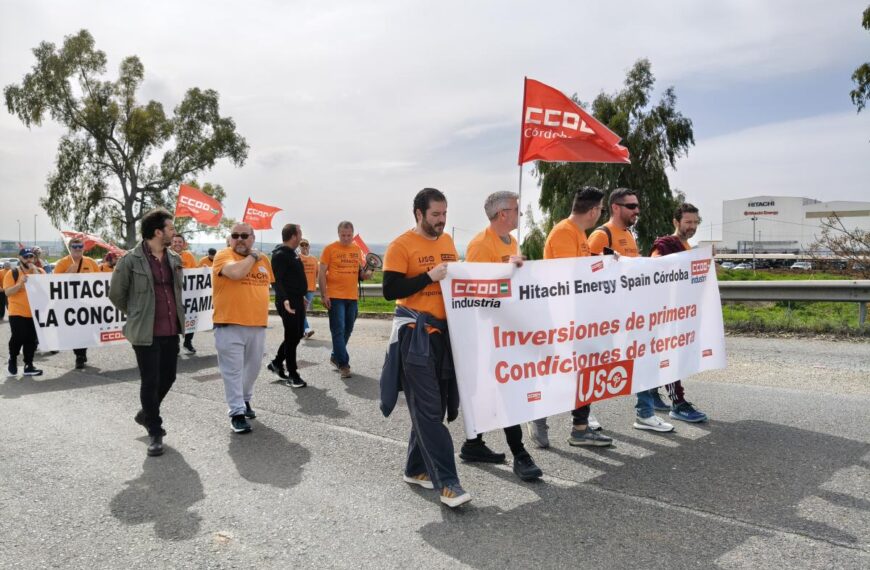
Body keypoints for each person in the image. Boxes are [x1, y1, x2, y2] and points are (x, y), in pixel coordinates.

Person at [380, 187, 470, 508]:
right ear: (419, 213)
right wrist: (427, 276)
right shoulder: (400, 246)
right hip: (414, 336)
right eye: (435, 215)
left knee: (437, 407)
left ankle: (415, 468)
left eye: (444, 214)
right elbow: (390, 290)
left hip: (443, 336)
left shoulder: (446, 242)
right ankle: (448, 482)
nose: (442, 221)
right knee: (429, 409)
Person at [459, 191, 543, 481]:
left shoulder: (511, 241)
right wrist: (507, 273)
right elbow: (476, 294)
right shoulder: (480, 246)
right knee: (509, 389)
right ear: (503, 214)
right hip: (490, 331)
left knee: (495, 388)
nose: (520, 213)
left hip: (509, 329)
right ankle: (520, 453)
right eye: (517, 209)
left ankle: (473, 443)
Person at [527, 187, 615, 448]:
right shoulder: (565, 232)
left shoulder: (578, 233)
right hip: (562, 318)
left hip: (578, 317)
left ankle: (580, 428)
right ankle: (537, 413)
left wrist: (605, 261)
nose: (601, 213)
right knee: (560, 372)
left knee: (583, 370)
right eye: (601, 209)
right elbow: (569, 277)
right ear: (594, 211)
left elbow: (583, 266)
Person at [588, 188, 674, 433]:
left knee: (645, 357)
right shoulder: (601, 236)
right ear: (616, 207)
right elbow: (588, 276)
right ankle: (583, 414)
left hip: (632, 314)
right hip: (607, 317)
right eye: (631, 206)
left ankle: (645, 414)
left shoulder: (628, 235)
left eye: (637, 206)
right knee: (597, 364)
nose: (637, 210)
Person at [109, 209, 185, 457]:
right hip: (145, 332)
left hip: (171, 329)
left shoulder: (174, 258)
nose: (174, 233)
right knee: (150, 381)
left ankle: (146, 413)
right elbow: (117, 295)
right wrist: (137, 314)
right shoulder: (130, 260)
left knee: (169, 377)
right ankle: (155, 429)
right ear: (158, 232)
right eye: (171, 229)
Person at [212, 222, 275, 434]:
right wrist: (252, 257)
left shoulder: (264, 260)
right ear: (230, 239)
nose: (239, 239)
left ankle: (245, 399)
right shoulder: (224, 255)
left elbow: (271, 286)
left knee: (253, 368)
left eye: (244, 235)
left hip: (257, 325)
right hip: (229, 324)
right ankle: (237, 413)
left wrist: (287, 301)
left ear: (253, 238)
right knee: (233, 371)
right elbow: (236, 274)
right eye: (235, 235)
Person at [649, 203, 709, 423]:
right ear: (676, 222)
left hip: (682, 311)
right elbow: (654, 265)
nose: (692, 226)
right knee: (670, 355)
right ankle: (678, 403)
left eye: (695, 222)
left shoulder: (689, 249)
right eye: (688, 222)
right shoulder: (667, 244)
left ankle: (652, 392)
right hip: (665, 312)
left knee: (664, 354)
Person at [319, 221, 371, 378]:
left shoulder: (356, 250)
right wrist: (323, 294)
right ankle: (343, 364)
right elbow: (321, 273)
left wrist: (366, 274)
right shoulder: (330, 249)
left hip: (352, 297)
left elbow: (360, 273)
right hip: (335, 296)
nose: (346, 238)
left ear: (352, 233)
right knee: (338, 329)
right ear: (338, 233)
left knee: (348, 329)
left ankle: (336, 355)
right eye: (343, 235)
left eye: (349, 235)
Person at [268, 224, 308, 388]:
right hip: (288, 302)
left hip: (297, 299)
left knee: (297, 334)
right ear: (293, 236)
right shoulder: (280, 255)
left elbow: (294, 278)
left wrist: (302, 295)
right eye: (300, 233)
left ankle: (277, 363)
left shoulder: (293, 253)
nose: (301, 236)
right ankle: (293, 373)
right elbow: (276, 280)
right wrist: (285, 300)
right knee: (292, 337)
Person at [54, 237, 100, 370]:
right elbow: (53, 282)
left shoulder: (91, 262)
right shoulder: (63, 263)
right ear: (70, 248)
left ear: (83, 248)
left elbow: (100, 280)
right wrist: (68, 272)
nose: (78, 249)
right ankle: (79, 355)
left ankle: (82, 351)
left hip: (87, 302)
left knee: (87, 329)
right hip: (69, 303)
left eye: (80, 247)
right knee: (75, 330)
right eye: (75, 247)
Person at [4, 248, 45, 377]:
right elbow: (7, 292)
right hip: (17, 312)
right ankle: (13, 359)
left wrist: (36, 272)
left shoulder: (40, 272)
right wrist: (20, 284)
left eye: (31, 256)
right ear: (20, 258)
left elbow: (46, 289)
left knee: (31, 340)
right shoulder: (13, 273)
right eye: (25, 256)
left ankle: (29, 364)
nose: (29, 259)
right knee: (18, 336)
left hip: (34, 312)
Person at [172, 234, 198, 354]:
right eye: (175, 241)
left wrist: (203, 270)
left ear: (184, 244)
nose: (177, 244)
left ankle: (188, 342)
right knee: (173, 321)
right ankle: (175, 346)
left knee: (190, 318)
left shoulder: (189, 256)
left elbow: (195, 272)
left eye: (180, 242)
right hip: (172, 295)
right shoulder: (165, 255)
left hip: (187, 294)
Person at [298, 239, 318, 339]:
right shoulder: (297, 258)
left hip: (311, 289)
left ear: (309, 246)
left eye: (306, 245)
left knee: (302, 311)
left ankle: (301, 331)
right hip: (300, 290)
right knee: (301, 310)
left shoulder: (314, 259)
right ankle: (306, 329)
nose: (304, 246)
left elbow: (317, 274)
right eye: (302, 245)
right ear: (299, 246)